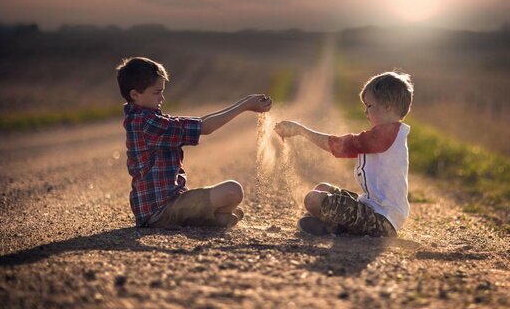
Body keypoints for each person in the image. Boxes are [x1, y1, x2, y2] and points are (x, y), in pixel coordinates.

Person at [116, 57, 272, 228]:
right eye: (156, 92)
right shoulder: (147, 123)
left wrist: (245, 101)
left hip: (169, 204)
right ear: (134, 95)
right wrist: (244, 106)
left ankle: (209, 219)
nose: (162, 97)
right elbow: (204, 127)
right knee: (232, 191)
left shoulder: (149, 118)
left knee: (231, 200)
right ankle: (208, 218)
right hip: (160, 210)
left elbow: (200, 122)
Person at [274, 71, 413, 237]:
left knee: (313, 200)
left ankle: (332, 228)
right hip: (372, 208)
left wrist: (300, 131)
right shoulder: (388, 133)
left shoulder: (386, 135)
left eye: (369, 105)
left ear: (388, 106)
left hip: (383, 220)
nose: (365, 112)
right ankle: (333, 225)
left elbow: (340, 146)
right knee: (322, 188)